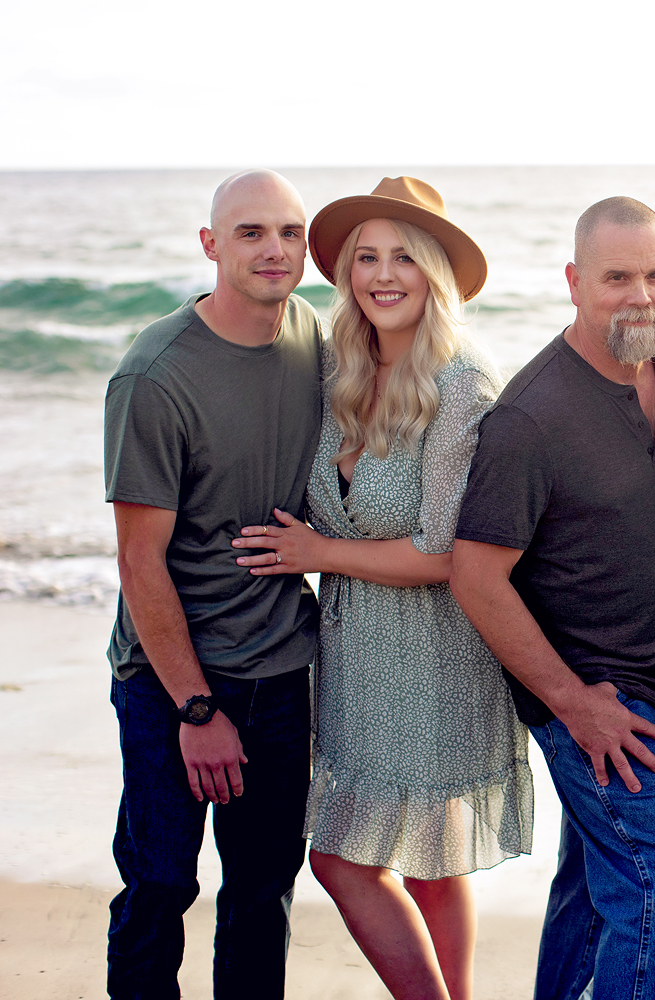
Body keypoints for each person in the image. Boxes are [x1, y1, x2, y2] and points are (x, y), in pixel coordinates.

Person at [229, 177, 533, 1000]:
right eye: (366, 256)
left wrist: (314, 552)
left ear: (436, 273)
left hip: (436, 653)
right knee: (426, 866)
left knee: (338, 858)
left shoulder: (461, 382)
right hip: (356, 651)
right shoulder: (341, 370)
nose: (382, 273)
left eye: (403, 256)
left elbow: (443, 552)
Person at [449, 197, 655, 1000]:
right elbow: (475, 577)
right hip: (594, 700)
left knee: (595, 893)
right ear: (573, 282)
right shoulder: (530, 418)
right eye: (617, 277)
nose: (641, 296)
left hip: (654, 693)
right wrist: (572, 703)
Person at [103, 169, 322, 999]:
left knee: (262, 896)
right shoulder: (155, 376)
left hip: (277, 672)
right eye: (251, 233)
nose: (274, 250)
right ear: (210, 245)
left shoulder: (311, 336)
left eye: (290, 233)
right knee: (160, 886)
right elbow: (138, 561)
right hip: (170, 684)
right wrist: (197, 710)